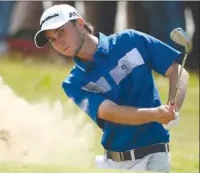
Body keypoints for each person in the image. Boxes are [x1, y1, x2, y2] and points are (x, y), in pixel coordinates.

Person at [34, 4, 189, 172]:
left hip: (156, 153)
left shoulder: (130, 40)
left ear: (79, 23)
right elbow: (111, 112)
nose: (59, 42)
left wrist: (173, 107)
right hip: (117, 163)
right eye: (52, 39)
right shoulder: (74, 83)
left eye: (61, 32)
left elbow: (177, 71)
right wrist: (156, 114)